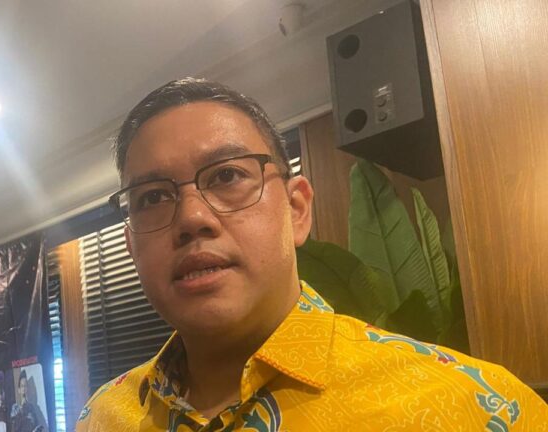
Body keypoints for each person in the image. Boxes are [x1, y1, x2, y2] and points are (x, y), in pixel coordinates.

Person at [75, 78, 548, 431]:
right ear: (132, 246)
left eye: (226, 176)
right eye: (153, 197)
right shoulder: (103, 416)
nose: (192, 217)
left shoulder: (476, 407)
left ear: (297, 209)